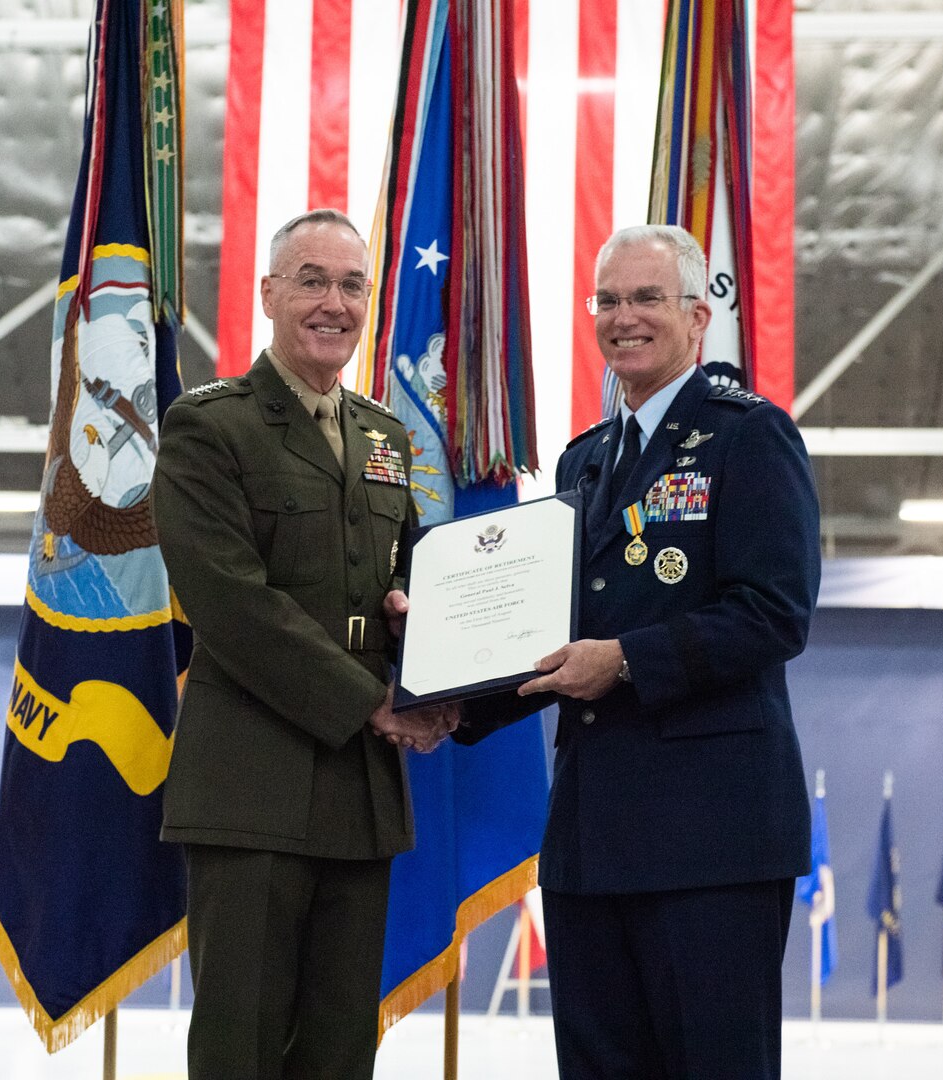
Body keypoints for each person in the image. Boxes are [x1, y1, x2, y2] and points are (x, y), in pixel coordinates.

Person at [462, 224, 820, 1079]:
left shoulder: (749, 435)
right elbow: (549, 633)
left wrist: (625, 660)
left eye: (647, 298)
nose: (624, 318)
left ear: (697, 316)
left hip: (712, 840)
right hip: (593, 840)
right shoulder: (583, 462)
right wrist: (446, 695)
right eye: (609, 300)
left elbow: (776, 614)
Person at [152, 208, 452, 1080]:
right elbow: (231, 603)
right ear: (269, 294)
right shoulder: (210, 427)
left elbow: (398, 586)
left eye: (352, 284)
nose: (333, 302)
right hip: (251, 785)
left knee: (339, 1051)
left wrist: (433, 657)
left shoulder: (385, 438)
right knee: (240, 1048)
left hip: (359, 796)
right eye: (311, 280)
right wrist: (376, 702)